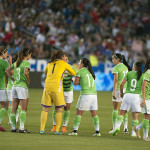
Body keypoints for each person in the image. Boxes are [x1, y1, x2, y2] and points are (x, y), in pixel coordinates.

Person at [40, 50, 76, 135]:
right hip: (57, 89)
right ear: (62, 57)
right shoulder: (64, 64)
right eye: (64, 56)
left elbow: (45, 72)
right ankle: (57, 130)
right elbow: (74, 73)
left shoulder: (49, 64)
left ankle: (42, 129)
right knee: (59, 109)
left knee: (45, 109)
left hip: (46, 88)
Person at [68, 58, 101, 136]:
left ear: (82, 64)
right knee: (94, 113)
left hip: (86, 94)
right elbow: (84, 82)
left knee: (79, 111)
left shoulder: (80, 71)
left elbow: (76, 83)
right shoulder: (90, 72)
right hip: (94, 94)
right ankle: (97, 132)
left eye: (79, 62)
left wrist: (72, 80)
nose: (78, 64)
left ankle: (75, 131)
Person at [112, 62, 143, 137]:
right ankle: (133, 132)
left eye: (133, 65)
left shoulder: (129, 74)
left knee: (122, 112)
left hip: (127, 95)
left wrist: (122, 93)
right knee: (135, 115)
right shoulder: (142, 75)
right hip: (136, 96)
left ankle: (117, 127)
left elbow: (121, 84)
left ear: (135, 66)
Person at [5, 47, 32, 133]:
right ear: (27, 55)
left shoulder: (16, 63)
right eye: (30, 54)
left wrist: (12, 79)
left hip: (14, 87)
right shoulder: (26, 63)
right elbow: (25, 72)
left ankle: (13, 128)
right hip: (22, 87)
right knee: (23, 108)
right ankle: (21, 128)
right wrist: (28, 80)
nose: (30, 56)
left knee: (13, 108)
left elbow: (7, 71)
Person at [51, 56, 76, 132]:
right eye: (63, 60)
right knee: (57, 107)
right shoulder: (59, 67)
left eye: (66, 60)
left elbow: (76, 76)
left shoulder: (71, 68)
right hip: (60, 90)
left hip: (68, 90)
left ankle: (64, 126)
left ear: (68, 60)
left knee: (67, 107)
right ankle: (54, 126)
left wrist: (73, 79)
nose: (65, 61)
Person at [110, 53, 132, 134]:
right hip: (126, 89)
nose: (112, 60)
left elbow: (116, 80)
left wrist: (114, 91)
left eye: (113, 59)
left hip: (119, 89)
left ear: (117, 59)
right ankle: (125, 128)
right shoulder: (125, 66)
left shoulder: (116, 68)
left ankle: (115, 128)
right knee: (124, 109)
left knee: (115, 109)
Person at [134, 59, 150, 141]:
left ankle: (137, 128)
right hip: (146, 98)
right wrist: (143, 99)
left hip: (148, 98)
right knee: (147, 117)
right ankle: (145, 136)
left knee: (148, 118)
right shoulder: (148, 73)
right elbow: (143, 86)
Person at [0, 46, 9, 132]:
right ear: (2, 53)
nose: (7, 54)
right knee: (5, 105)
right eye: (6, 53)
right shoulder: (3, 62)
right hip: (1, 88)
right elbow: (11, 72)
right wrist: (10, 63)